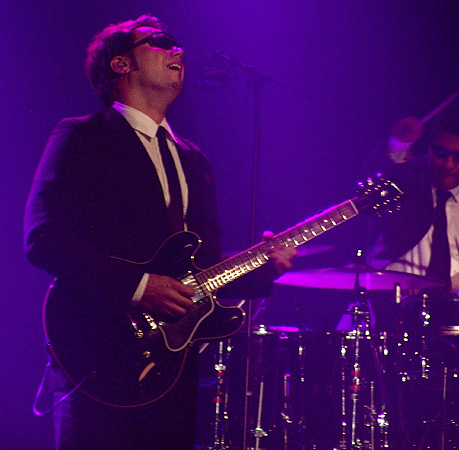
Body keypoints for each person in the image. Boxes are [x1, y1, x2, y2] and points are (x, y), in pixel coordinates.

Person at [24, 15, 295, 450]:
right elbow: (45, 239)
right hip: (99, 347)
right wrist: (140, 286)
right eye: (161, 42)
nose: (178, 51)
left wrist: (264, 268)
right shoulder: (83, 136)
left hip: (173, 364)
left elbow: (204, 271)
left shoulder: (194, 158)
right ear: (121, 64)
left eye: (177, 44)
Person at [369, 99, 459, 300]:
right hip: (389, 305)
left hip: (456, 311)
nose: (448, 165)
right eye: (441, 153)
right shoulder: (406, 182)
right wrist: (399, 142)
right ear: (429, 148)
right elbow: (380, 172)